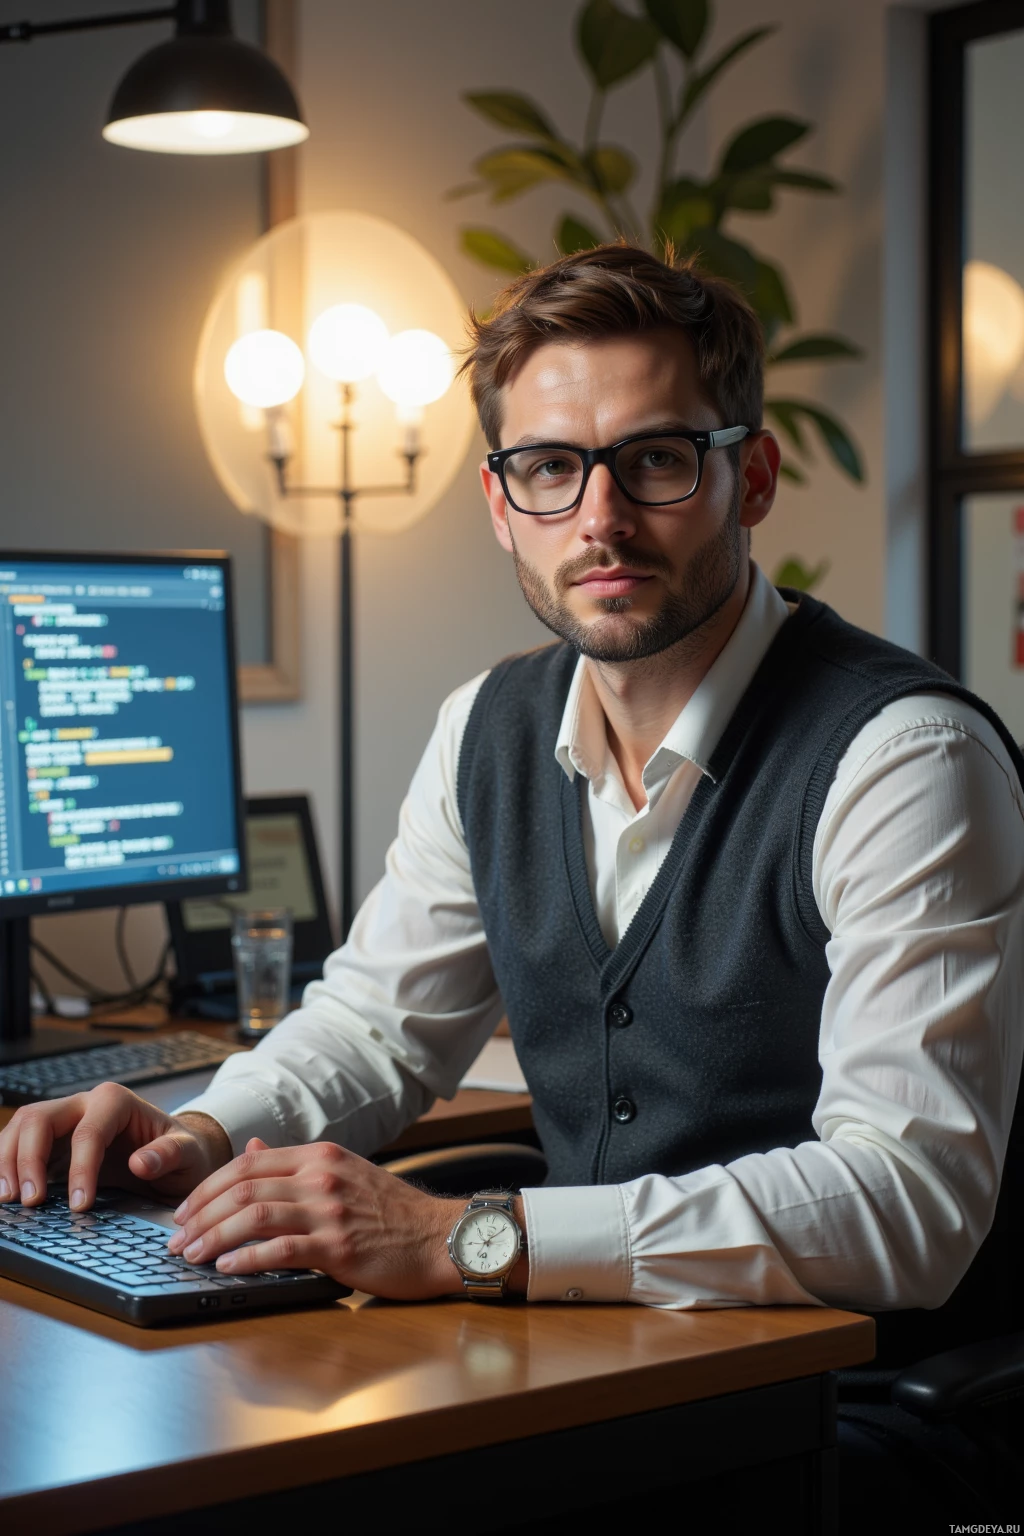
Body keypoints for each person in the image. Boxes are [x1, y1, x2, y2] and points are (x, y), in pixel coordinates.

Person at [1, 245, 1022, 1364]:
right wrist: (193, 1136)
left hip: (839, 1399)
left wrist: (473, 1237)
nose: (600, 518)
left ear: (755, 478)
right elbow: (376, 1029)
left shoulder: (904, 757)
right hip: (588, 1361)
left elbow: (908, 1203)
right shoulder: (483, 728)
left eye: (657, 460)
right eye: (548, 468)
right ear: (499, 500)